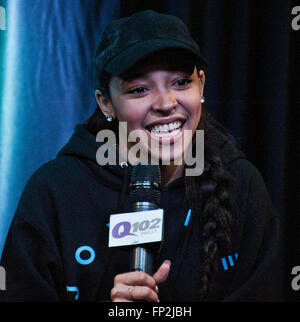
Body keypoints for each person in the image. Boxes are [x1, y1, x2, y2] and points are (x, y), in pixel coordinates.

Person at [0, 10, 282, 302]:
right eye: (139, 89)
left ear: (202, 84)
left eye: (181, 82)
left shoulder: (241, 184)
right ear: (106, 104)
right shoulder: (55, 191)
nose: (165, 103)